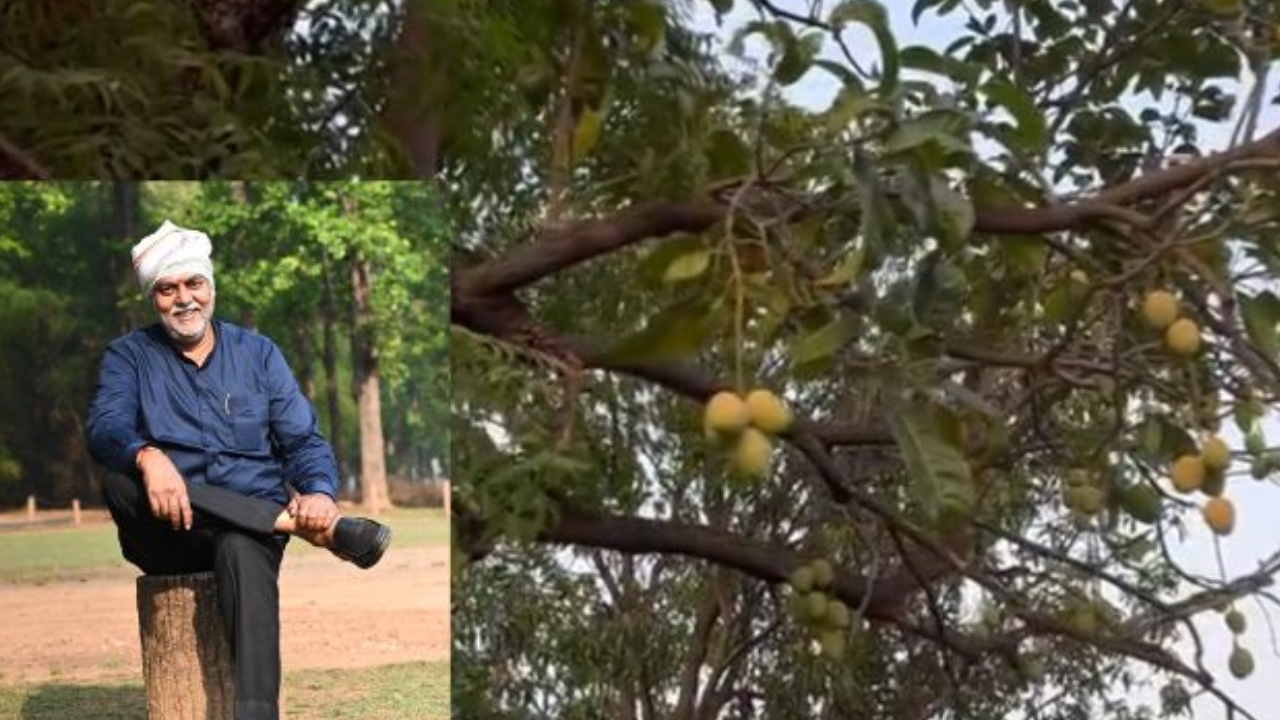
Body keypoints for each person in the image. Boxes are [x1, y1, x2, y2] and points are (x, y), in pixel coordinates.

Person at [85, 219, 392, 720]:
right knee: (120, 480)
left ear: (211, 287)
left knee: (241, 543)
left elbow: (302, 440)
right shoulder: (130, 356)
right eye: (168, 288)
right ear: (153, 297)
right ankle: (292, 524)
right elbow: (104, 426)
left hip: (247, 537)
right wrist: (148, 455)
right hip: (169, 536)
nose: (184, 299)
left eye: (193, 284)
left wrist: (318, 494)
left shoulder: (259, 354)